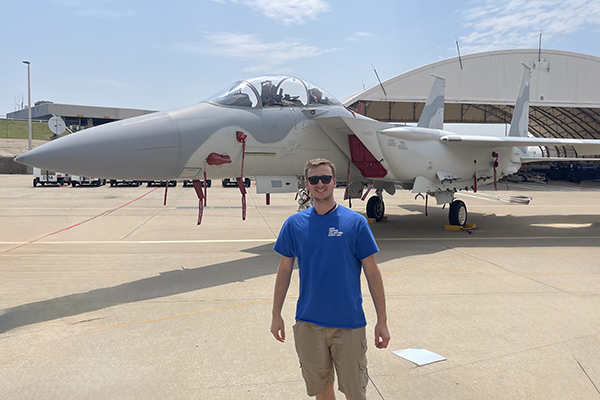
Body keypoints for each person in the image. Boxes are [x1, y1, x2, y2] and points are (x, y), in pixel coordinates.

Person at [270, 158, 391, 400]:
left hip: (349, 324)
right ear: (307, 184)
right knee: (322, 393)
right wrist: (276, 314)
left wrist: (382, 320)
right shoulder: (294, 225)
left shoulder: (355, 223)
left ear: (335, 182)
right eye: (314, 180)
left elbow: (372, 273)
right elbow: (284, 271)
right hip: (309, 323)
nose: (320, 184)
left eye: (325, 178)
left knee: (355, 393)